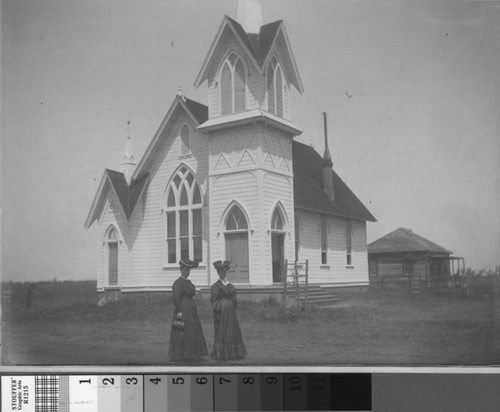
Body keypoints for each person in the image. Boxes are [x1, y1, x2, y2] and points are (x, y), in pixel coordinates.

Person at [168, 258, 208, 362]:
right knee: (180, 330)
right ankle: (180, 355)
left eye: (188, 271)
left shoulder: (189, 282)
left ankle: (193, 353)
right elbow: (176, 298)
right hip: (181, 309)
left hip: (191, 311)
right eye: (185, 270)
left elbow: (191, 292)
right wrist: (180, 311)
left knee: (193, 330)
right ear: (181, 270)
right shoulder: (177, 283)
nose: (187, 272)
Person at [210, 260, 247, 361]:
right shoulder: (215, 286)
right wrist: (219, 309)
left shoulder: (230, 286)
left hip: (230, 313)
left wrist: (232, 307)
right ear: (218, 273)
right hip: (222, 313)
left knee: (232, 330)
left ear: (226, 272)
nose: (223, 274)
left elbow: (234, 299)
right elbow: (214, 300)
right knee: (223, 331)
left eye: (224, 272)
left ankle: (235, 353)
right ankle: (222, 353)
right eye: (221, 272)